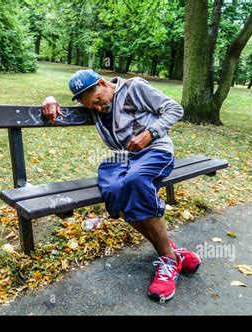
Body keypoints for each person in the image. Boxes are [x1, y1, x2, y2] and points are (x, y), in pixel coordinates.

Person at [41, 69, 201, 303]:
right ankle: (173, 253)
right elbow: (61, 112)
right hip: (123, 158)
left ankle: (167, 261)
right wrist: (49, 100)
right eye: (90, 107)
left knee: (135, 182)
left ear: (103, 84)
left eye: (97, 101)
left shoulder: (134, 88)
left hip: (155, 151)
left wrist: (150, 133)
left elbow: (175, 109)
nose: (96, 108)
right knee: (115, 192)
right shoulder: (93, 105)